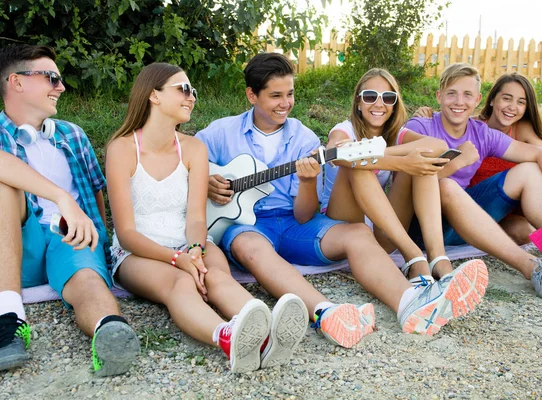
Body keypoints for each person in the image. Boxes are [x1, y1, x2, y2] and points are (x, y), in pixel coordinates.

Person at [196, 52, 485, 341]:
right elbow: (184, 164)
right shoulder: (221, 132)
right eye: (275, 96)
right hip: (246, 226)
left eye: (290, 94)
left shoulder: (304, 138)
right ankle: (328, 313)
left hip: (293, 222)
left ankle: (410, 302)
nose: (285, 104)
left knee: (358, 232)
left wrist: (308, 181)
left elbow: (304, 216)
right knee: (251, 246)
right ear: (251, 95)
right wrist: (204, 181)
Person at [105, 62, 308, 374]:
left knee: (215, 276)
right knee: (179, 284)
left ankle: (265, 334)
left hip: (190, 241)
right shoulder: (121, 149)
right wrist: (178, 260)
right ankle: (228, 338)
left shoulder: (194, 149)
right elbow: (126, 231)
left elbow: (197, 218)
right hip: (138, 251)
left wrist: (196, 250)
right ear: (154, 96)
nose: (192, 97)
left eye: (193, 91)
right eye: (183, 89)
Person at [406, 63, 542, 301]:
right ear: (439, 96)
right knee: (447, 186)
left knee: (529, 170)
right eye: (452, 93)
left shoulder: (482, 132)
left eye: (467, 95)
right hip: (419, 226)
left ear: (477, 99)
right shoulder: (420, 126)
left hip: (461, 222)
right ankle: (533, 268)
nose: (459, 101)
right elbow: (405, 179)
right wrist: (457, 162)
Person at [0, 44, 139, 375]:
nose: (60, 87)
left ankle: (109, 330)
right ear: (17, 82)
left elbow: (96, 192)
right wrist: (63, 198)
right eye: (51, 78)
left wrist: (98, 235)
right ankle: (8, 321)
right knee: (4, 186)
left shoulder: (72, 135)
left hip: (70, 236)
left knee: (88, 280)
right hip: (17, 247)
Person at [321, 67, 488, 325]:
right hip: (342, 225)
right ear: (357, 102)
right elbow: (337, 152)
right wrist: (399, 162)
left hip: (380, 233)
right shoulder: (345, 129)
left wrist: (407, 161)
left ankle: (438, 261)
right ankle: (414, 258)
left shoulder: (395, 134)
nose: (379, 104)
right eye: (370, 96)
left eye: (388, 98)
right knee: (356, 163)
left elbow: (439, 147)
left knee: (422, 163)